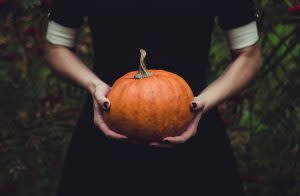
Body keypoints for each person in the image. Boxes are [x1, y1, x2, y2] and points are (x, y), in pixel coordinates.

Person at [44, 0, 262, 195]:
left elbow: (249, 55)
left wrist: (203, 102)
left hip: (193, 128)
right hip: (107, 125)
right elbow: (56, 47)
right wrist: (95, 87)